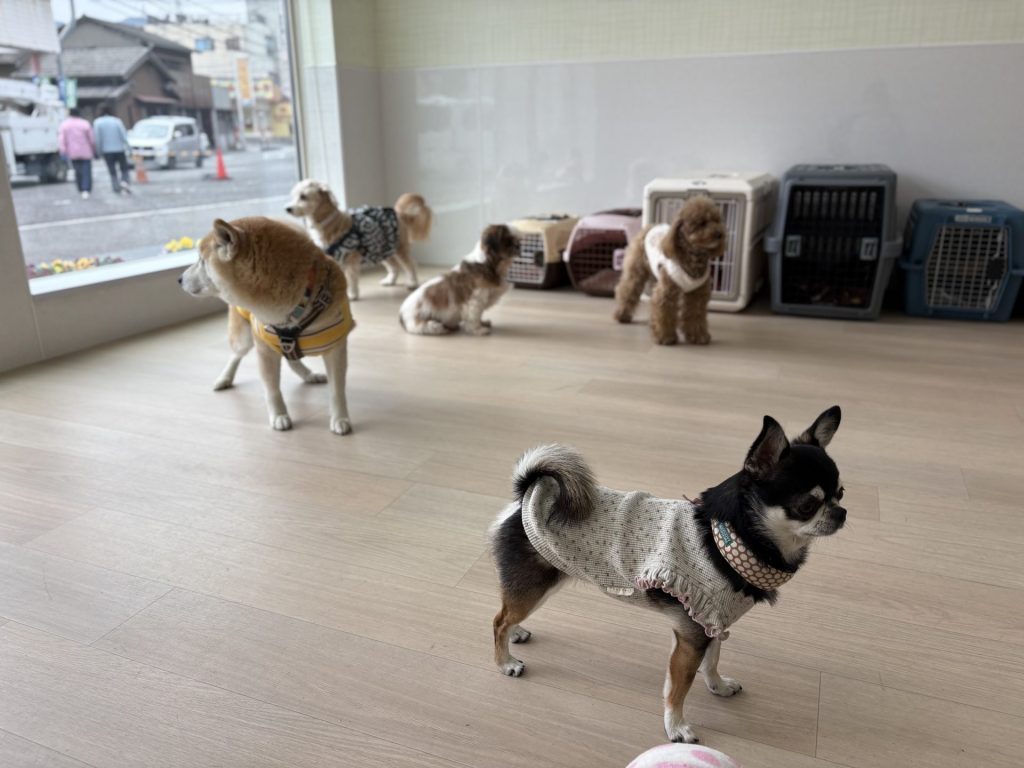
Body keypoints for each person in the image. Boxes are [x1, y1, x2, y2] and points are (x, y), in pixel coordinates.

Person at [57, 108, 95, 199]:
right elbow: (91, 139)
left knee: (77, 171)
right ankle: (86, 188)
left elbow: (62, 139)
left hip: (72, 152)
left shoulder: (65, 125)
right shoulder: (84, 123)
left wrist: (63, 150)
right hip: (86, 151)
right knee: (86, 171)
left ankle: (80, 188)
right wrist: (93, 148)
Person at [94, 106, 132, 195]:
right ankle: (124, 181)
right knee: (124, 168)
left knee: (112, 170)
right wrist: (128, 147)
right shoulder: (116, 121)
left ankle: (116, 186)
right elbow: (123, 135)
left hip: (107, 150)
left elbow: (98, 138)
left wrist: (98, 151)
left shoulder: (98, 122)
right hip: (119, 148)